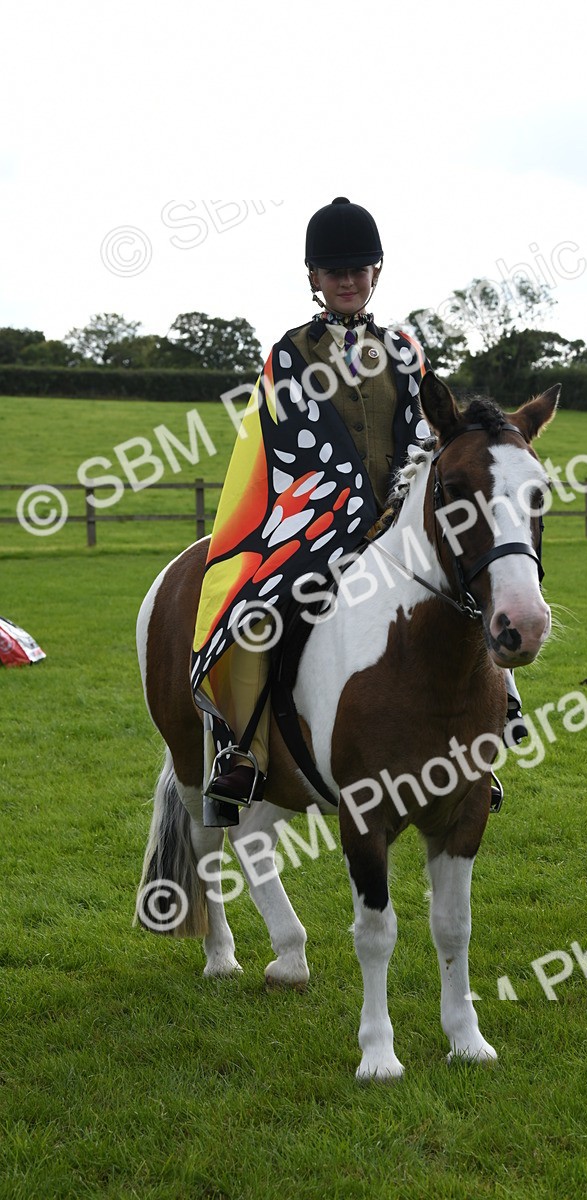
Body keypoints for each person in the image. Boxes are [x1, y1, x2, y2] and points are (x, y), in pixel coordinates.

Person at [191, 198, 429, 822]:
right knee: (254, 618)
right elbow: (292, 444)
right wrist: (349, 504)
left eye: (359, 268)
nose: (348, 280)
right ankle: (243, 751)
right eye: (334, 271)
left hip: (398, 520)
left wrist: (405, 505)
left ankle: (489, 724)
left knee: (479, 584)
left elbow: (423, 430)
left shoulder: (405, 351)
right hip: (316, 520)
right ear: (313, 279)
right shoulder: (289, 354)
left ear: (377, 271)